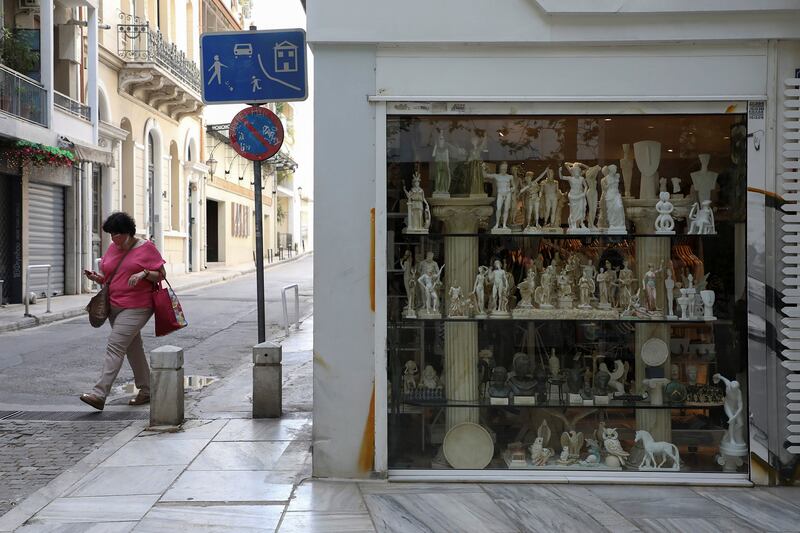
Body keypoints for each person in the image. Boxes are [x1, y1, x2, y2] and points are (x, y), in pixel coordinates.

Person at [80, 212, 167, 410]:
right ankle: (147, 390)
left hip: (138, 306)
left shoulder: (146, 248)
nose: (113, 239)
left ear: (128, 232)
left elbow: (161, 274)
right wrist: (97, 278)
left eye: (117, 234)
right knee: (133, 348)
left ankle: (99, 393)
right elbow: (111, 276)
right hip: (114, 305)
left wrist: (144, 273)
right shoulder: (113, 248)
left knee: (115, 345)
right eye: (111, 234)